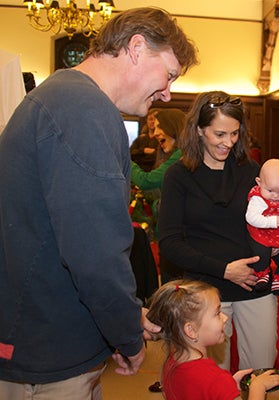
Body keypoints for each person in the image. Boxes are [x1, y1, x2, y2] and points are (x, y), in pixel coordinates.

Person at [0, 7, 197, 399]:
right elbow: (94, 250)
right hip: (50, 343)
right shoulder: (83, 108)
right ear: (137, 48)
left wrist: (123, 317)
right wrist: (126, 334)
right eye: (169, 75)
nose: (168, 93)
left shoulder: (61, 97)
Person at [158, 91, 278, 372]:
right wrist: (224, 269)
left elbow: (268, 221)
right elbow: (169, 242)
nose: (228, 143)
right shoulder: (178, 175)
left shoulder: (251, 170)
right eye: (220, 134)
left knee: (261, 371)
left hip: (254, 285)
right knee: (211, 379)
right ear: (199, 130)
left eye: (235, 134)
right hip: (204, 291)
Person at [146, 279, 279, 400]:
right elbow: (211, 384)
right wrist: (258, 388)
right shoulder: (215, 379)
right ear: (191, 330)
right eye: (217, 313)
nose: (225, 318)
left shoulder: (173, 362)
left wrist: (228, 387)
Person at [246, 158, 279, 298]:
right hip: (261, 234)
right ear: (259, 182)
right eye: (270, 190)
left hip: (278, 236)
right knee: (262, 255)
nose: (276, 196)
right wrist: (271, 221)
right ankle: (262, 275)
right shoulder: (258, 199)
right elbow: (251, 218)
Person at [131, 108, 185, 191]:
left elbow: (146, 182)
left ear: (172, 127)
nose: (155, 133)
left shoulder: (181, 155)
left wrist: (124, 160)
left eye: (159, 127)